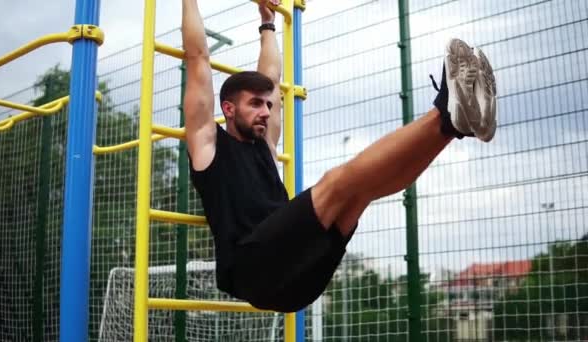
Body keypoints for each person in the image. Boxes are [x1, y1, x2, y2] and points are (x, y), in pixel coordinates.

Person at [182, 0, 497, 313]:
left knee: (361, 193)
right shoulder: (207, 144)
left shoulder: (265, 145)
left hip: (298, 276)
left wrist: (267, 22)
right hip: (253, 270)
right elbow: (197, 58)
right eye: (256, 104)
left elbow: (272, 79)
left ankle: (453, 128)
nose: (267, 111)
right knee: (336, 182)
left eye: (269, 105)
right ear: (228, 109)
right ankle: (444, 114)